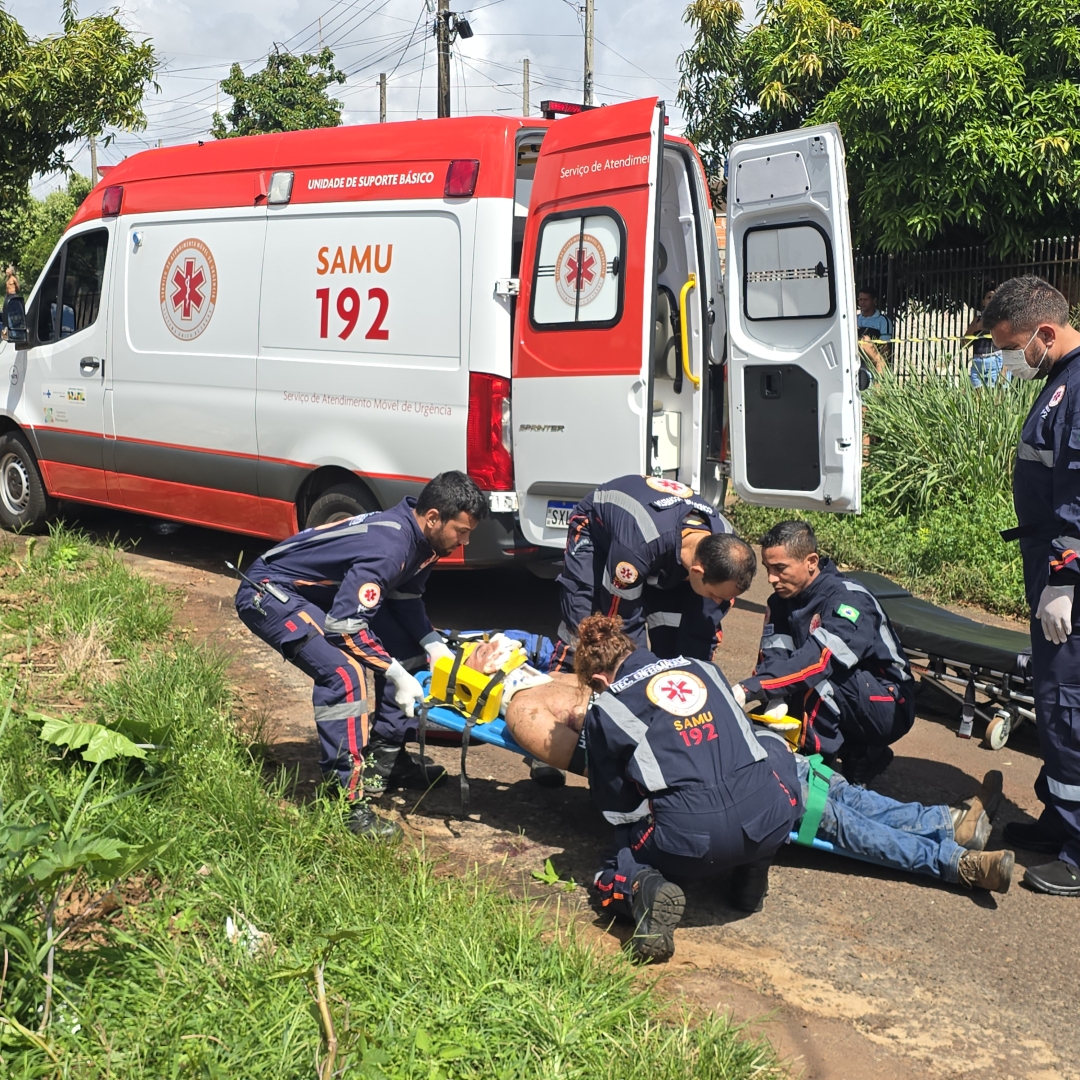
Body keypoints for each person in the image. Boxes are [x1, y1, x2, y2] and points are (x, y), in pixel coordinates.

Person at [499, 616, 1013, 962]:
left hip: (696, 840)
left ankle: (641, 891)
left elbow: (616, 805)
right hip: (773, 808)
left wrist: (639, 829)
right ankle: (945, 843)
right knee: (835, 800)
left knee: (619, 854)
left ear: (597, 681)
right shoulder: (701, 668)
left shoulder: (608, 707)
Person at [235, 472, 487, 839]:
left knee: (409, 649)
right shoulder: (390, 547)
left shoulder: (425, 541)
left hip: (316, 593)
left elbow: (404, 599)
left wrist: (431, 642)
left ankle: (385, 758)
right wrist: (394, 673)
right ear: (434, 517)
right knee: (344, 674)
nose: (465, 541)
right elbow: (344, 627)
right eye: (461, 531)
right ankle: (344, 803)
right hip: (269, 591)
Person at [983, 276, 1080, 896]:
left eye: (1010, 346)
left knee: (1070, 706)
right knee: (1054, 701)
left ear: (1045, 332)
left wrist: (1066, 578)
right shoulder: (1060, 379)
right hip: (1049, 568)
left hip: (1069, 578)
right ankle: (1060, 817)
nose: (1008, 359)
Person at [731, 521, 915, 786]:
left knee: (816, 678)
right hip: (849, 694)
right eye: (768, 569)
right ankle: (859, 753)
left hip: (889, 703)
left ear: (811, 562)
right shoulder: (780, 601)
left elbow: (820, 661)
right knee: (765, 716)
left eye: (780, 568)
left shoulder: (849, 600)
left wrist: (749, 689)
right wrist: (774, 697)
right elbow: (774, 657)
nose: (771, 578)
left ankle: (815, 773)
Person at [550, 475, 752, 674]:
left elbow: (703, 629)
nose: (718, 601)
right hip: (599, 528)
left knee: (679, 632)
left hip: (660, 542)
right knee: (589, 625)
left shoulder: (729, 548)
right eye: (715, 595)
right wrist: (638, 674)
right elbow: (622, 618)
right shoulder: (637, 547)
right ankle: (564, 677)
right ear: (696, 572)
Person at [965, 287, 1005, 388]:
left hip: (996, 360)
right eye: (989, 297)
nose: (991, 300)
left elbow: (1010, 346)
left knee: (997, 396)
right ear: (983, 302)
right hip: (978, 362)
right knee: (977, 396)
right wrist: (974, 329)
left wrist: (1004, 370)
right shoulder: (977, 320)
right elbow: (964, 344)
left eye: (994, 297)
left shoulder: (1002, 320)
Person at [856, 285, 891, 371]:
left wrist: (881, 366)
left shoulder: (883, 320)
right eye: (860, 300)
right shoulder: (854, 319)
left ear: (874, 300)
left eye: (866, 300)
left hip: (873, 364)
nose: (862, 303)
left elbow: (885, 348)